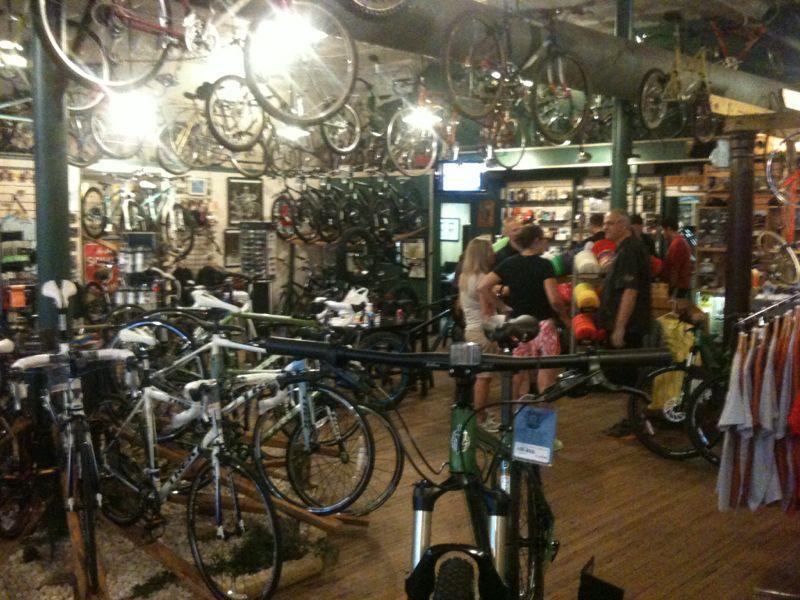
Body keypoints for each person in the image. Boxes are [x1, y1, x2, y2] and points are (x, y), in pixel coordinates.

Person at [478, 224, 569, 399]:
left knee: (517, 373)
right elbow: (555, 300)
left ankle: (512, 412)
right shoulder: (545, 265)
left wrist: (501, 306)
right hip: (543, 324)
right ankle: (542, 411)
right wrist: (565, 318)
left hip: (518, 325)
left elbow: (482, 287)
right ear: (536, 240)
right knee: (546, 372)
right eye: (543, 239)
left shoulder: (509, 263)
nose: (545, 243)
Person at [459, 237, 500, 431]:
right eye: (490, 250)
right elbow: (486, 312)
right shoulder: (483, 278)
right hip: (483, 332)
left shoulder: (464, 276)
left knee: (477, 376)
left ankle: (479, 416)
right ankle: (481, 420)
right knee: (484, 378)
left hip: (470, 329)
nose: (494, 253)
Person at [596, 210, 652, 350]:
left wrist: (620, 327)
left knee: (621, 363)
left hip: (628, 328)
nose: (605, 228)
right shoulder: (624, 248)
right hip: (626, 326)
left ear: (623, 225)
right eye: (604, 224)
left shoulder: (629, 250)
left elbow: (630, 290)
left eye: (609, 223)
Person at [660, 216, 693, 303]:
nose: (662, 233)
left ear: (668, 229)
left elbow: (675, 269)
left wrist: (671, 288)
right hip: (681, 284)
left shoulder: (677, 244)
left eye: (663, 230)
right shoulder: (680, 241)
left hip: (679, 286)